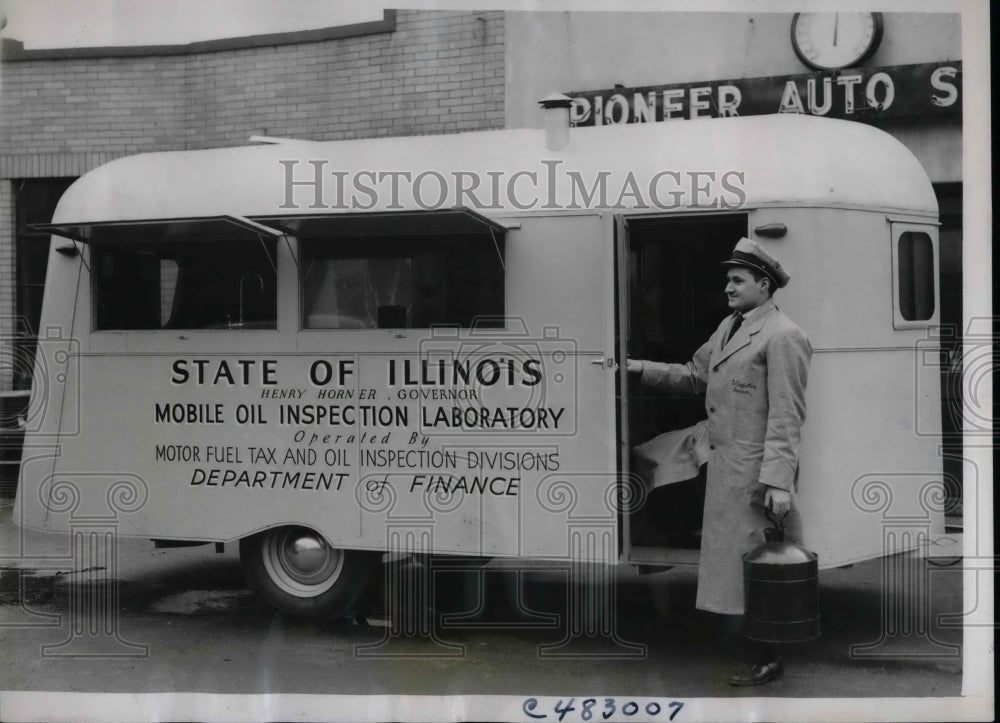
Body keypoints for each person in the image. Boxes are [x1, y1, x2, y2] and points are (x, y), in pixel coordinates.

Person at [627, 237, 811, 686]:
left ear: (763, 285)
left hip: (752, 471)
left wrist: (778, 482)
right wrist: (635, 367)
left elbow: (788, 414)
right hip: (724, 465)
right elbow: (695, 376)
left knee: (757, 565)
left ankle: (767, 659)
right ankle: (753, 649)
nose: (728, 288)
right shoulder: (731, 327)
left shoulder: (784, 336)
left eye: (737, 280)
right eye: (727, 280)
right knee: (736, 564)